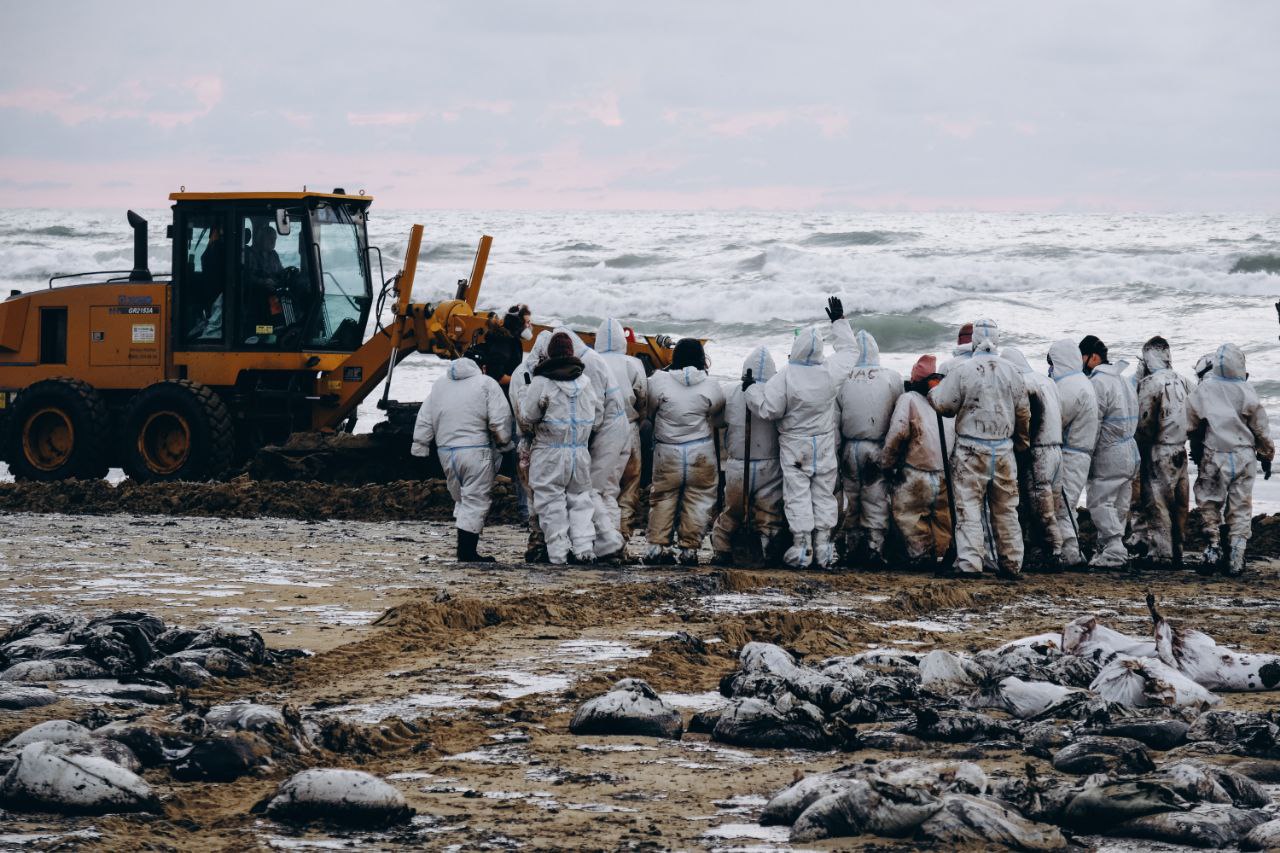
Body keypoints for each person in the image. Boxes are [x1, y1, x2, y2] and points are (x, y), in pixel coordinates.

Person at [928, 319, 1030, 578]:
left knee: (969, 508)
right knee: (1006, 509)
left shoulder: (964, 370)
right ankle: (1012, 564)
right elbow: (1023, 413)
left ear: (973, 341)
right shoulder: (1012, 372)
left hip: (970, 450)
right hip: (1004, 449)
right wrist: (1021, 443)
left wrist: (932, 392)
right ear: (997, 341)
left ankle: (970, 564)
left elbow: (944, 406)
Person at [746, 326, 840, 569]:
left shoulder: (786, 375)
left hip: (796, 444)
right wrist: (840, 323)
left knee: (797, 494)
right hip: (825, 443)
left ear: (795, 347)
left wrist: (752, 390)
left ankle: (802, 547)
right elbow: (850, 352)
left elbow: (769, 409)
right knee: (823, 493)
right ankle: (825, 548)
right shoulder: (830, 371)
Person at [410, 350, 514, 563]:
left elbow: (425, 417)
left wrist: (420, 447)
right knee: (476, 498)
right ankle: (467, 553)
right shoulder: (486, 384)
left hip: (447, 453)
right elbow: (499, 419)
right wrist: (505, 444)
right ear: (481, 367)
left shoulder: (439, 385)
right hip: (477, 451)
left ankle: (464, 547)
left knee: (461, 497)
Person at [1187, 343, 1274, 576]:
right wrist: (1266, 456)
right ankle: (1236, 556)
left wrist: (1192, 449)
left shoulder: (1204, 390)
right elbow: (1261, 429)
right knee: (1241, 506)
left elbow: (1190, 423)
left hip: (1215, 454)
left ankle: (1213, 548)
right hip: (1244, 456)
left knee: (1209, 502)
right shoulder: (1247, 391)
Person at [518, 331, 603, 565]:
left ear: (550, 354)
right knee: (580, 500)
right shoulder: (585, 383)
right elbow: (597, 418)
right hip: (579, 452)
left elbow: (528, 416)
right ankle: (585, 550)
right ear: (572, 353)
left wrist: (524, 395)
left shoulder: (541, 382)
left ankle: (558, 554)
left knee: (550, 501)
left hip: (550, 451)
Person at [644, 339, 726, 566]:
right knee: (699, 500)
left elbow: (649, 410)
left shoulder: (658, 381)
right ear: (702, 358)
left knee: (662, 497)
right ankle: (689, 549)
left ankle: (656, 546)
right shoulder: (711, 385)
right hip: (700, 452)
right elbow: (719, 419)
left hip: (667, 451)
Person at [835, 328, 902, 567]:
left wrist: (834, 451)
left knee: (851, 498)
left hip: (849, 448)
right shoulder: (891, 377)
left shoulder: (843, 379)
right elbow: (898, 416)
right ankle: (875, 548)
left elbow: (834, 419)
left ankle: (852, 548)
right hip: (876, 448)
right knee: (875, 499)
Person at [710, 346, 784, 565]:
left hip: (737, 465)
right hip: (769, 466)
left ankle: (721, 549)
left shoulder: (731, 390)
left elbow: (716, 420)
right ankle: (764, 547)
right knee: (768, 512)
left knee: (732, 511)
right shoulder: (775, 394)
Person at [560, 328, 628, 561]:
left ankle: (609, 542)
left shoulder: (590, 363)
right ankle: (609, 542)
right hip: (614, 429)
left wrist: (580, 441)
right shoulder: (590, 358)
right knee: (605, 490)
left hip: (608, 432)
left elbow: (595, 409)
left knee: (589, 489)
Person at [880, 355, 952, 567]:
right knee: (942, 518)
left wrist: (887, 463)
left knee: (909, 516)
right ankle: (942, 554)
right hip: (943, 472)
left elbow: (898, 433)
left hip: (916, 472)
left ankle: (920, 555)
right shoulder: (944, 401)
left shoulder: (909, 399)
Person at [1129, 336, 1192, 567]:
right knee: (1180, 504)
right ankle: (1178, 549)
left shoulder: (1150, 383)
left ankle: (1161, 553)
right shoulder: (1183, 381)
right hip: (1180, 449)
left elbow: (1145, 421)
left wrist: (1140, 448)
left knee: (1158, 503)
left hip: (1158, 450)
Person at [1002, 347, 1066, 568]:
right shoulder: (1047, 381)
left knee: (1040, 507)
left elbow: (1029, 417)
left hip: (1038, 450)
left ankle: (1053, 553)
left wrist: (1023, 447)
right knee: (1052, 505)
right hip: (1057, 448)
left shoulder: (1023, 383)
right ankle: (1046, 549)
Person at [1080, 335, 1139, 568]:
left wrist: (1086, 451)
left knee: (1099, 501)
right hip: (1130, 449)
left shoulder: (1097, 383)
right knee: (1120, 503)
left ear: (1093, 357)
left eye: (1083, 358)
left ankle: (1114, 548)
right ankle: (1108, 548)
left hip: (1109, 450)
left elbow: (1093, 422)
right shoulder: (1124, 381)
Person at [594, 318, 649, 539]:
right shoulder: (633, 364)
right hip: (629, 426)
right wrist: (639, 419)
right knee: (629, 485)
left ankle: (604, 535)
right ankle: (623, 533)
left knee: (603, 485)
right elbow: (643, 398)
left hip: (601, 430)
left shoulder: (592, 361)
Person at [1047, 338, 1099, 568]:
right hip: (1079, 452)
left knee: (1063, 504)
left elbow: (1055, 421)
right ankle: (1070, 548)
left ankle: (1070, 552)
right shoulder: (1080, 381)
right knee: (1066, 503)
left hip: (1071, 452)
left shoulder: (1070, 387)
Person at [510, 331, 552, 562]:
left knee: (539, 495)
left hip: (537, 442)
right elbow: (524, 418)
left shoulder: (530, 373)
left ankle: (541, 543)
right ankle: (537, 544)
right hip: (530, 443)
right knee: (535, 496)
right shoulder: (525, 375)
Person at [479, 305, 531, 390]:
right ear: (518, 324)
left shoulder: (511, 339)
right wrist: (520, 380)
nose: (530, 326)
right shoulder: (504, 341)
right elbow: (497, 376)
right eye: (527, 322)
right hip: (499, 394)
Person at [823, 296, 860, 383]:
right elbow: (850, 350)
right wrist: (839, 320)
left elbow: (849, 350)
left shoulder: (788, 373)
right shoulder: (831, 366)